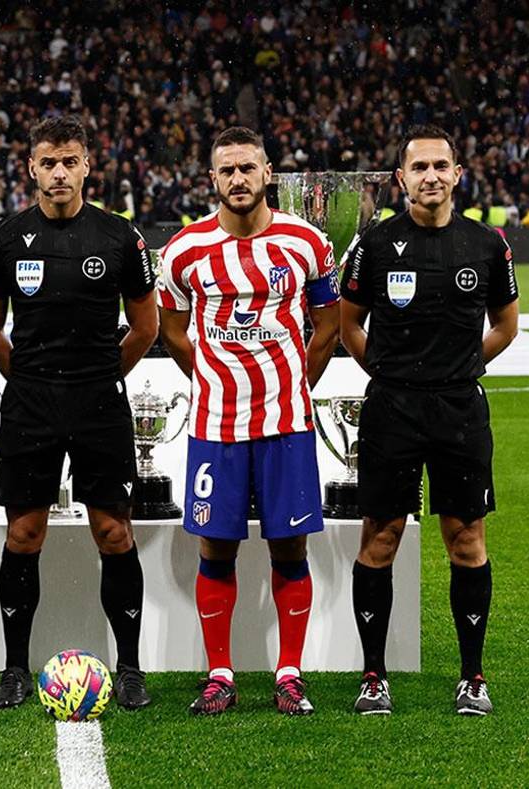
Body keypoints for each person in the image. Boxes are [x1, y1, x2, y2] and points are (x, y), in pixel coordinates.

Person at [156, 126, 341, 716]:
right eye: (227, 170)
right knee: (217, 547)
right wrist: (212, 379)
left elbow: (328, 327)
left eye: (247, 168)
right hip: (217, 426)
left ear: (267, 174)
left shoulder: (306, 242)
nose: (238, 179)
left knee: (289, 547)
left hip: (287, 425)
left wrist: (294, 387)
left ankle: (289, 674)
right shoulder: (183, 251)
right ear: (212, 179)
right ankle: (220, 675)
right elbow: (171, 332)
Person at [0, 115, 159, 710]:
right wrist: (28, 378)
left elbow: (146, 324)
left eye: (69, 161)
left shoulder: (119, 236)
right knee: (25, 533)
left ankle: (129, 666)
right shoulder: (4, 240)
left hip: (99, 401)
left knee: (113, 531)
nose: (59, 173)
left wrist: (103, 376)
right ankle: (12, 668)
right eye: (48, 162)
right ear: (31, 166)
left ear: (87, 165)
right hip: (31, 402)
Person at [340, 124, 519, 716]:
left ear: (458, 175)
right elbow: (349, 326)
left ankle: (473, 676)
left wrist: (459, 368)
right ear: (401, 179)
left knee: (465, 540)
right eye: (419, 168)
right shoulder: (373, 245)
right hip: (393, 409)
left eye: (441, 165)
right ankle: (373, 676)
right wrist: (393, 375)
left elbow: (505, 326)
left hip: (459, 410)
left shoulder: (487, 246)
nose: (431, 176)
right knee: (381, 537)